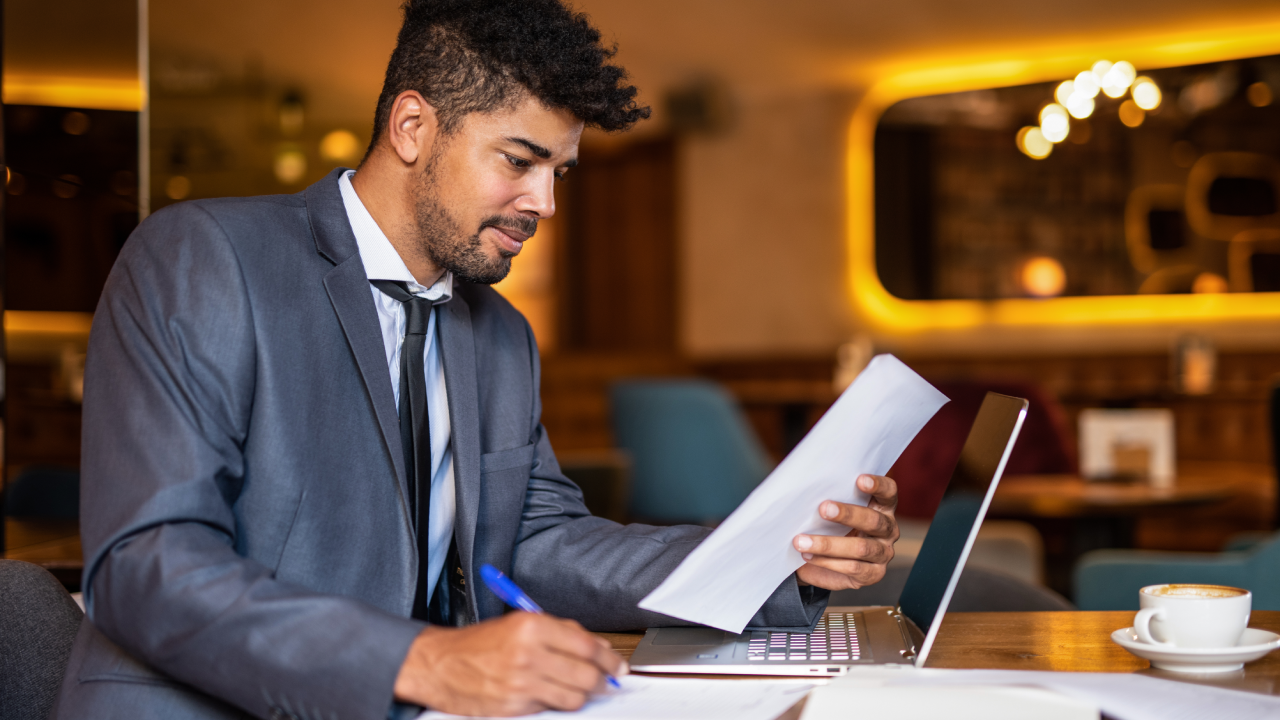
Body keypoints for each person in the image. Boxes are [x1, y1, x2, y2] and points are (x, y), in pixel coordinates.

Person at [53, 1, 902, 718]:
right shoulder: (204, 257)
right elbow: (145, 564)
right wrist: (423, 662)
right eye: (520, 162)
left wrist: (769, 555)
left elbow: (536, 541)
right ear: (413, 127)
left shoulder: (499, 334)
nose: (546, 203)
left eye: (559, 171)